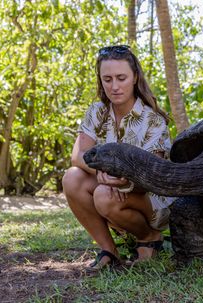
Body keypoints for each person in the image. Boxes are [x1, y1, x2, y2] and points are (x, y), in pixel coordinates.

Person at [62, 45, 173, 269]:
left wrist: (123, 180)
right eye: (107, 79)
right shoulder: (97, 112)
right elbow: (78, 156)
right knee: (71, 178)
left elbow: (153, 177)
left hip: (150, 197)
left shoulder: (153, 120)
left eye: (121, 78)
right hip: (111, 188)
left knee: (104, 194)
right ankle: (109, 252)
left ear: (134, 78)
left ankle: (149, 237)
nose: (114, 86)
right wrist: (102, 173)